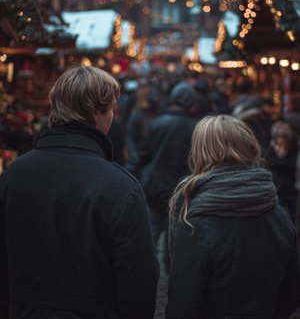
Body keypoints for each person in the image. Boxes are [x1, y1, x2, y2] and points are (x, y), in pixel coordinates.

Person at [0, 66, 159, 319]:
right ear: (96, 111)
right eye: (111, 110)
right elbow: (138, 282)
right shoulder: (121, 187)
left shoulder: (14, 174)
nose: (112, 117)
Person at [167, 115, 300, 319]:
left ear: (201, 152)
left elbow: (183, 303)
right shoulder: (278, 215)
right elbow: (292, 289)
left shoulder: (195, 223)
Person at [132, 81, 197, 271]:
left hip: (154, 185)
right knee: (174, 230)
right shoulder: (193, 128)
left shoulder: (157, 124)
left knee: (153, 228)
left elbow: (143, 155)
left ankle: (145, 266)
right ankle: (171, 268)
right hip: (179, 187)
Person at [266, 121, 299, 223]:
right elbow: (268, 163)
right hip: (278, 189)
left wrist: (281, 159)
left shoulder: (294, 149)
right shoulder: (272, 149)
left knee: (293, 217)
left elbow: (292, 164)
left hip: (292, 189)